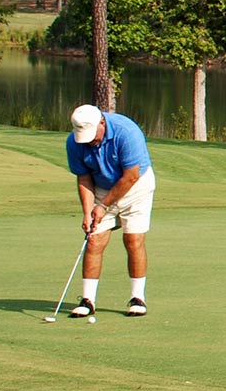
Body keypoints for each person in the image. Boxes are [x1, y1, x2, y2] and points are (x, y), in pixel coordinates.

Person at [64, 104, 157, 317]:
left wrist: (103, 206)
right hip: (101, 188)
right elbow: (84, 178)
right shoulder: (75, 142)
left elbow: (131, 175)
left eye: (92, 135)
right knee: (94, 239)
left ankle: (137, 298)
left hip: (136, 187)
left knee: (133, 240)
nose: (90, 141)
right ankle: (87, 300)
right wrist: (88, 212)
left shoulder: (127, 132)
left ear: (102, 122)